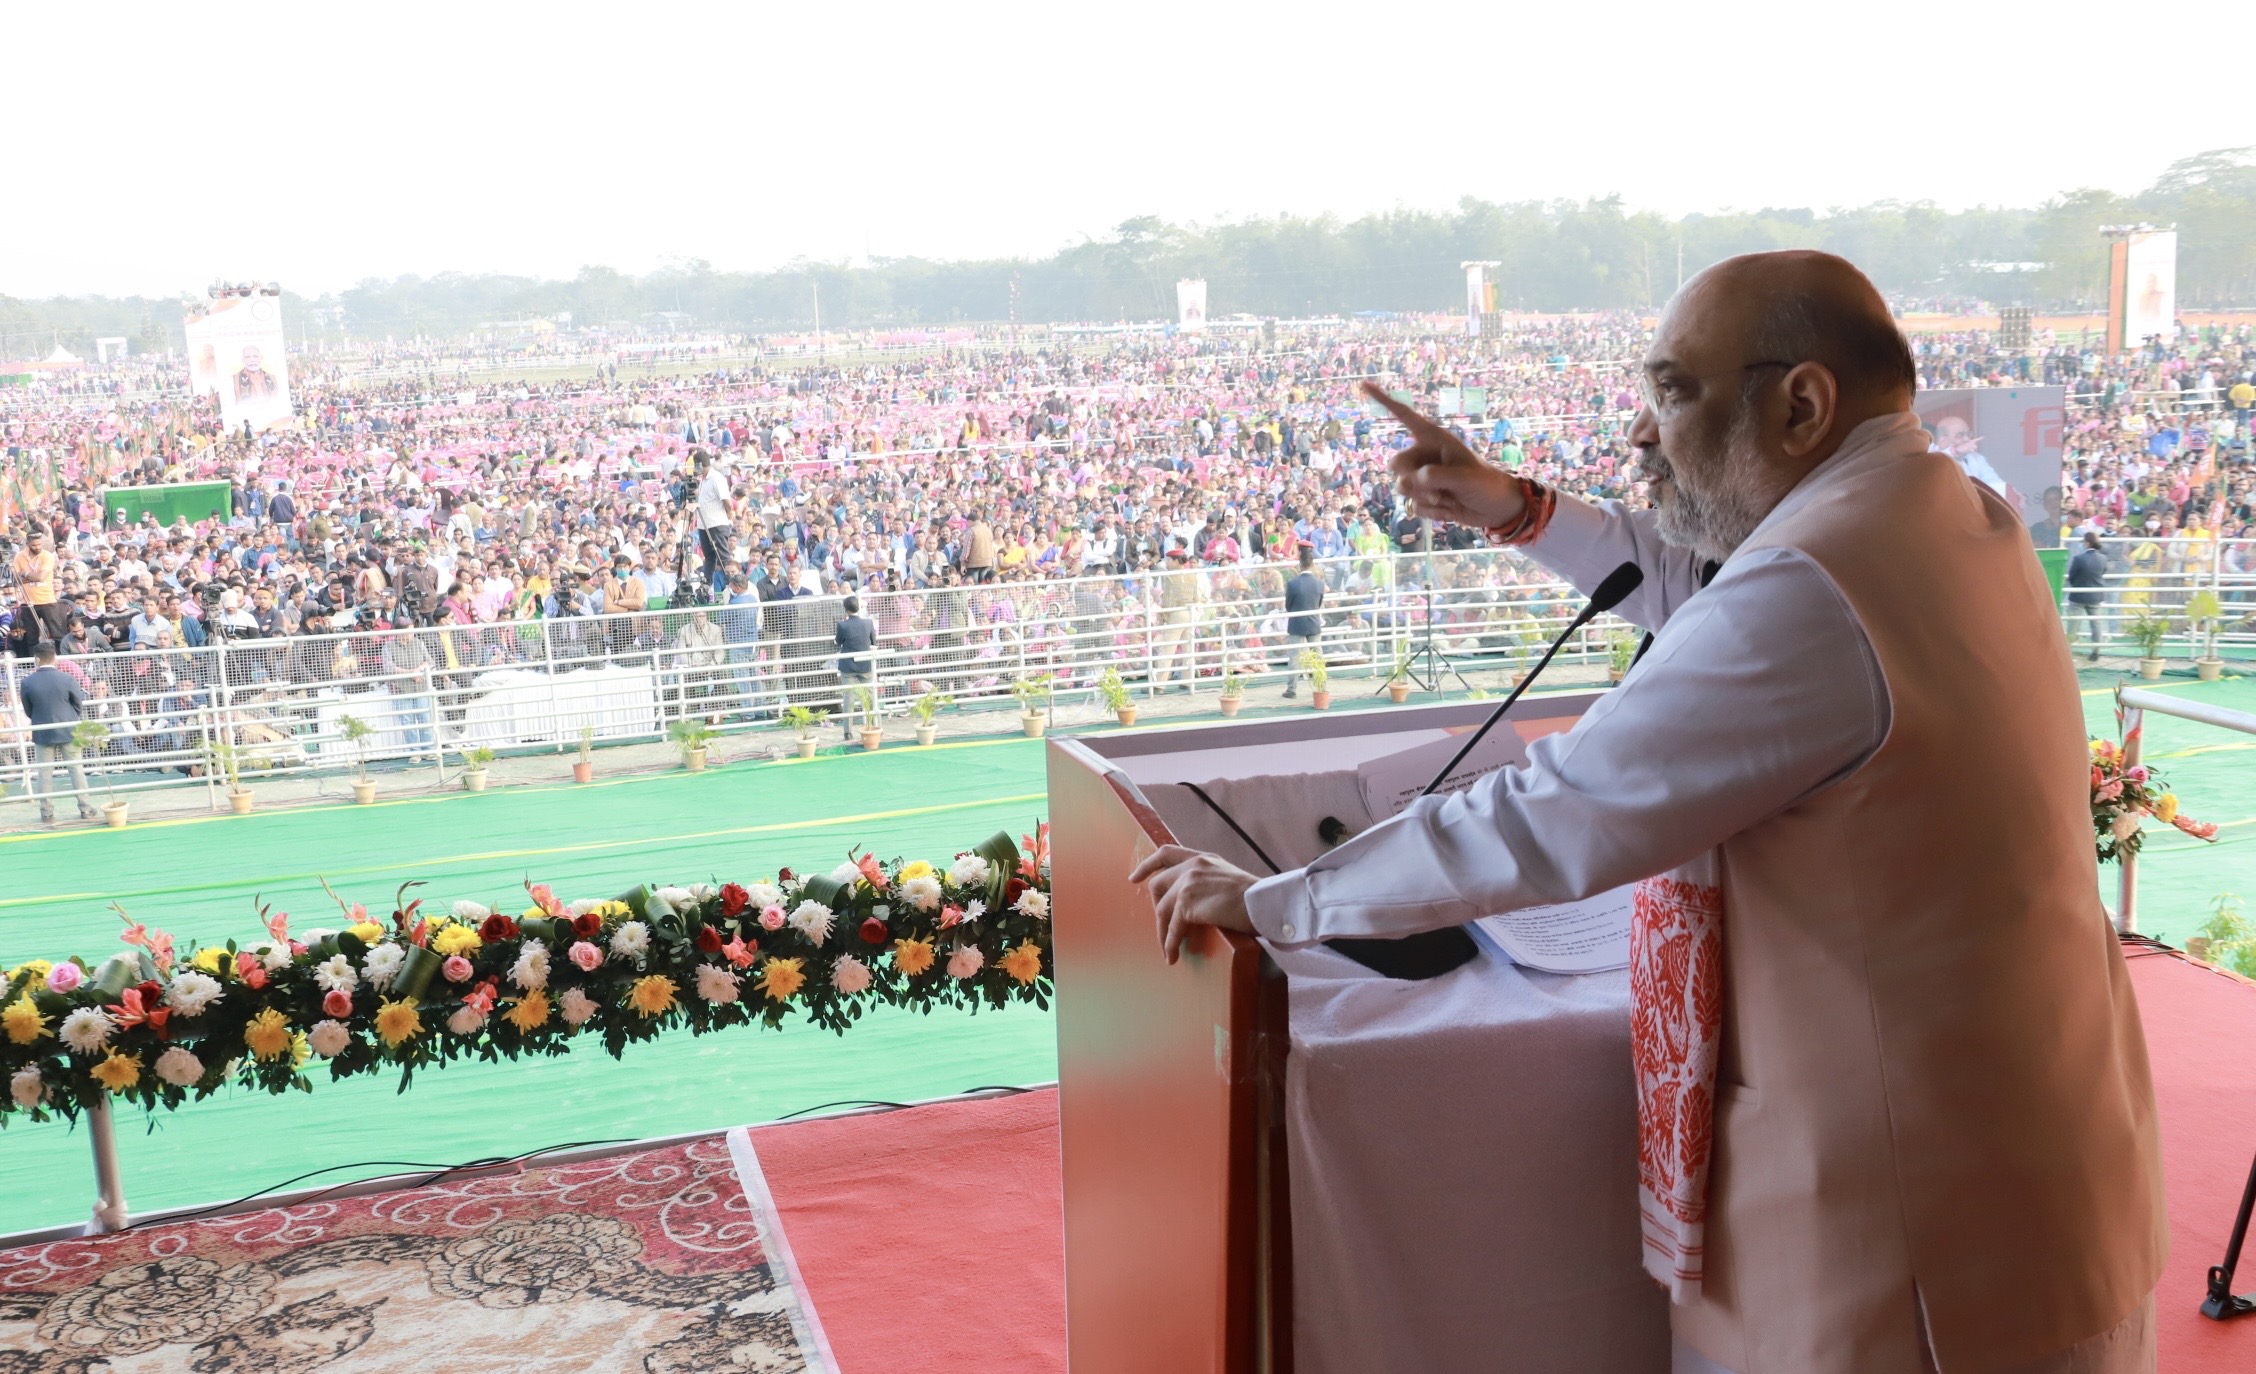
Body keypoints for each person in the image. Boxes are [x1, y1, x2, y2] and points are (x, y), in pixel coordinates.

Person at [1135, 251, 2162, 1374]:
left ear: (1801, 404)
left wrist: (1285, 896)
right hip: (2024, 1170)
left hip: (1905, 1231)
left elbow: (1555, 814)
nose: (1640, 433)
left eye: (1672, 391)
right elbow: (1710, 587)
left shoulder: (1818, 582)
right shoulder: (1935, 505)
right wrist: (1513, 508)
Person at [20, 642, 98, 825]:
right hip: (68, 728)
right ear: (54, 657)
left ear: (36, 659)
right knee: (76, 770)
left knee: (44, 773)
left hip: (42, 730)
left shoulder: (27, 682)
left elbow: (28, 709)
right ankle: (85, 808)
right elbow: (78, 704)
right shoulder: (67, 678)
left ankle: (47, 813)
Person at [1281, 541, 1324, 699]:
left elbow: (1288, 605)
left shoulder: (1292, 583)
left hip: (1297, 621)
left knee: (1294, 656)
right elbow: (1319, 604)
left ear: (1300, 562)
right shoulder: (1319, 583)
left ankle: (1291, 689)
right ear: (1312, 563)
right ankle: (1321, 685)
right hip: (1313, 621)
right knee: (1317, 654)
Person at [834, 594, 877, 738]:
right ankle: (874, 725)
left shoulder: (842, 625)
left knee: (849, 699)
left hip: (848, 667)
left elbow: (838, 641)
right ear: (858, 607)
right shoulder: (868, 623)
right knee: (870, 696)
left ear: (845, 609)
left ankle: (848, 732)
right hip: (865, 665)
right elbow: (873, 642)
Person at [2068, 531, 2110, 661]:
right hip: (2095, 596)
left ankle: (2068, 652)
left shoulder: (2079, 559)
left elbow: (2071, 577)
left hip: (2078, 596)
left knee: (2073, 625)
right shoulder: (2103, 558)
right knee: (2096, 625)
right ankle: (2096, 651)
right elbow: (2103, 572)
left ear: (2086, 543)